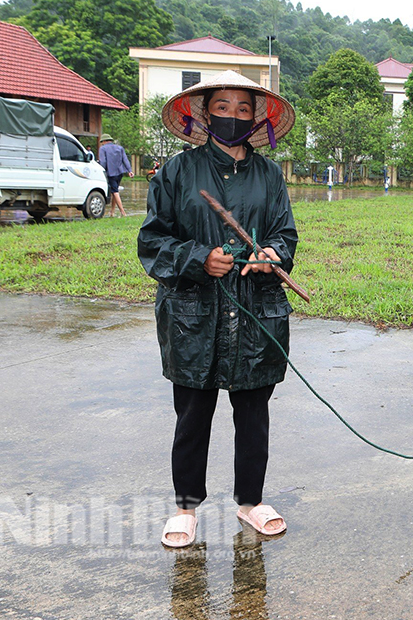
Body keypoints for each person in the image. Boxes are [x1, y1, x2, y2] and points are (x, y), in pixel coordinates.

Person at [138, 70, 299, 548]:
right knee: (192, 414)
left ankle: (251, 501)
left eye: (243, 109)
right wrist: (196, 258)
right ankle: (186, 506)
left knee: (253, 411)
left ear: (257, 118)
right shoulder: (176, 172)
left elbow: (284, 235)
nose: (232, 116)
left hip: (256, 311)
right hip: (193, 312)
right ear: (204, 114)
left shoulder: (270, 176)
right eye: (222, 107)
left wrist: (273, 254)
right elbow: (152, 241)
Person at [98, 134, 134, 217]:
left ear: (104, 141)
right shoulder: (119, 148)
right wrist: (130, 171)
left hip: (110, 173)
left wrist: (101, 171)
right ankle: (112, 212)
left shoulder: (103, 149)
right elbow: (125, 159)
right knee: (115, 191)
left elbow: (103, 162)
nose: (102, 144)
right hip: (120, 172)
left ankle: (123, 212)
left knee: (115, 191)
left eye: (102, 142)